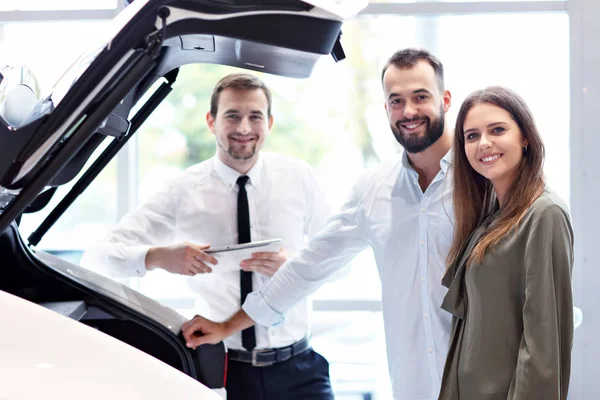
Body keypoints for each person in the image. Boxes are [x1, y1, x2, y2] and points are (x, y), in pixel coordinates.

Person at [182, 48, 457, 400]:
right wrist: (225, 327)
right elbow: (305, 269)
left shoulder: (483, 179)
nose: (409, 111)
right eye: (396, 100)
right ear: (386, 109)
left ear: (445, 100)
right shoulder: (373, 190)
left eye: (421, 97)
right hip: (412, 385)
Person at [80, 73, 334, 399]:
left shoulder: (300, 179)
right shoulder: (182, 190)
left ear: (269, 122)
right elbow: (97, 256)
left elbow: (339, 264)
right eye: (232, 115)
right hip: (221, 371)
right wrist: (159, 257)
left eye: (255, 116)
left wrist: (295, 265)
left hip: (300, 369)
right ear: (211, 121)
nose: (244, 127)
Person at [438, 86, 574, 399]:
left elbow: (543, 344)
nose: (483, 143)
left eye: (497, 130)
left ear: (524, 136)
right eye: (471, 136)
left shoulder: (544, 214)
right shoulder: (490, 218)